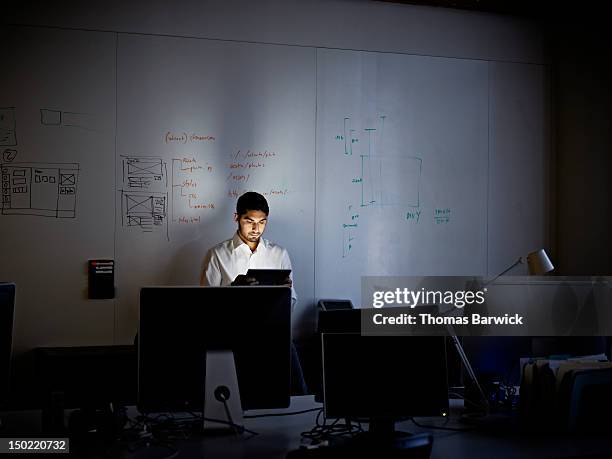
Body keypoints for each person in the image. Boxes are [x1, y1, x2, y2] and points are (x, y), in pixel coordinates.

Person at [200, 191, 307, 394]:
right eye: (249, 221)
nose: (256, 229)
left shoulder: (279, 254)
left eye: (262, 222)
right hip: (231, 336)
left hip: (271, 333)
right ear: (237, 218)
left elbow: (292, 299)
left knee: (294, 382)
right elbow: (206, 305)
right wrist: (234, 290)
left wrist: (282, 296)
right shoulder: (217, 254)